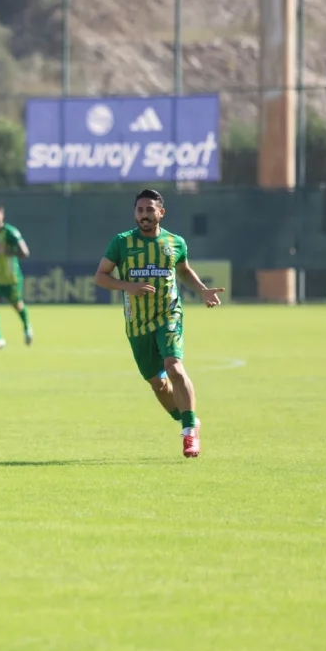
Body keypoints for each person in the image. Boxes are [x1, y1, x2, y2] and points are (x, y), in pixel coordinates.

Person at [94, 188, 224, 458]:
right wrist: (128, 286)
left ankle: (189, 432)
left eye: (150, 210)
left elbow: (184, 270)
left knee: (174, 368)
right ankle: (187, 419)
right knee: (158, 384)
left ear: (161, 213)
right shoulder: (121, 243)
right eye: (140, 210)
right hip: (137, 323)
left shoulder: (175, 243)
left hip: (168, 315)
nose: (144, 215)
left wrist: (202, 290)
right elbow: (101, 276)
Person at [0, 203, 32, 350]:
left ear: (2, 215)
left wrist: (8, 250)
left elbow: (25, 253)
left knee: (18, 305)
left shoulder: (10, 232)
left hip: (11, 278)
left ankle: (27, 327)